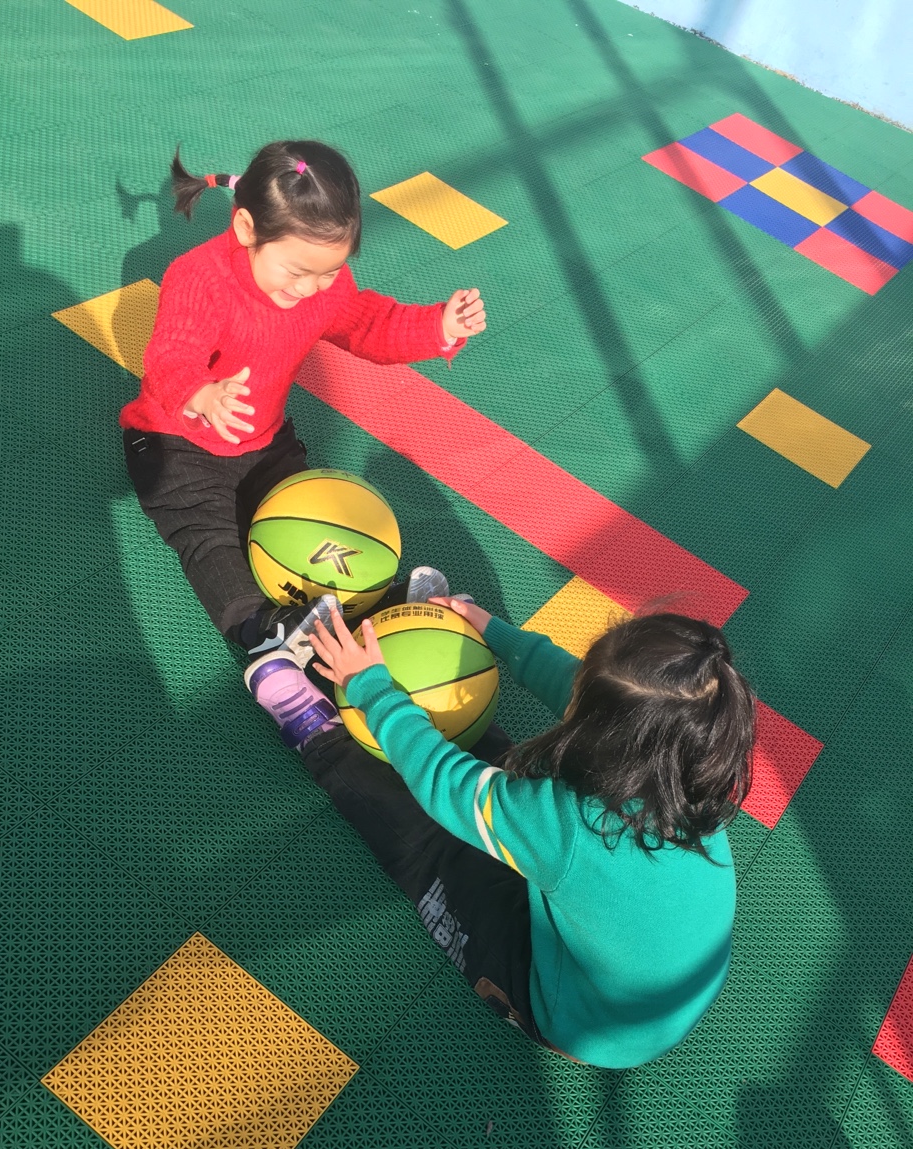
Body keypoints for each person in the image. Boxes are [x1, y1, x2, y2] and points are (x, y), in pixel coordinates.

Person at [244, 597, 757, 1068]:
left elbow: (444, 782)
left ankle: (317, 734)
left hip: (574, 1019)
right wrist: (492, 632)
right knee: (510, 777)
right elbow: (596, 697)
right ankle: (416, 691)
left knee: (433, 842)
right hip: (646, 990)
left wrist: (371, 689)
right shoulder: (692, 772)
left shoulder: (569, 825)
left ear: (599, 725)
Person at [120, 139, 486, 658]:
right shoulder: (199, 276)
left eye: (329, 272)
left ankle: (372, 604)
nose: (313, 288)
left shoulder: (321, 285)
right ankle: (259, 629)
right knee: (209, 531)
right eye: (297, 272)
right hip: (176, 442)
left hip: (264, 439)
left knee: (313, 517)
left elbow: (365, 324)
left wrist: (438, 326)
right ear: (246, 228)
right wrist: (201, 394)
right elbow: (170, 357)